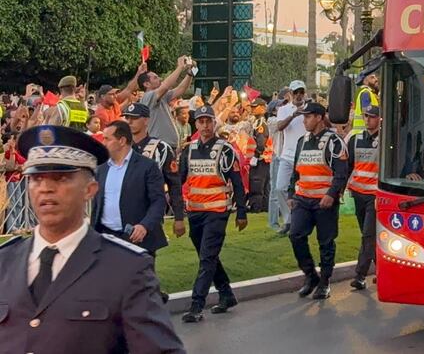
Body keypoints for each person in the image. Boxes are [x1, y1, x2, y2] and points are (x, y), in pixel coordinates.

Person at [0, 125, 184, 353]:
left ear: (90, 189)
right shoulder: (5, 263)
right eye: (36, 178)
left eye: (60, 178)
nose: (45, 188)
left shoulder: (127, 269)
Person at [178, 104, 248, 322]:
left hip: (217, 212)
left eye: (209, 121)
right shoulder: (189, 150)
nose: (205, 125)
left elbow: (237, 183)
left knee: (207, 258)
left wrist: (241, 212)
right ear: (196, 124)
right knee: (207, 256)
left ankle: (196, 305)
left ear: (214, 123)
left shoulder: (225, 150)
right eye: (201, 121)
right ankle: (226, 294)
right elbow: (179, 180)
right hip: (195, 212)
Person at [289, 101, 349, 300]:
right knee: (295, 235)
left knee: (326, 242)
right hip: (303, 200)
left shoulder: (334, 142)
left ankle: (324, 282)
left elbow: (341, 173)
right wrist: (291, 194)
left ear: (319, 118)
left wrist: (331, 194)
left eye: (307, 117)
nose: (304, 121)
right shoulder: (302, 141)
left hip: (324, 202)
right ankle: (310, 275)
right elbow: (296, 171)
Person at [95, 120, 169, 257]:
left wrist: (144, 225)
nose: (103, 143)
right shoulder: (101, 168)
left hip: (136, 238)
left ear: (122, 141)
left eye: (107, 139)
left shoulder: (147, 166)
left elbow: (158, 202)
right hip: (105, 237)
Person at [346, 104, 381, 291]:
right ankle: (382, 270)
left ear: (380, 119)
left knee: (368, 235)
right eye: (366, 116)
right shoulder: (355, 139)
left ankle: (359, 275)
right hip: (358, 193)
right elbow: (349, 165)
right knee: (368, 236)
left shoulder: (385, 140)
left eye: (372, 116)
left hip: (374, 195)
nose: (368, 119)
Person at [271, 80, 309, 234]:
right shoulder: (284, 109)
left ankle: (301, 219)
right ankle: (288, 219)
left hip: (305, 155)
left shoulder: (309, 108)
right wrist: (293, 115)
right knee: (280, 187)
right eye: (296, 92)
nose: (299, 95)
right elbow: (280, 127)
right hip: (287, 155)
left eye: (301, 92)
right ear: (291, 94)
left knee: (305, 190)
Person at [138, 55, 194, 144]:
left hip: (170, 145)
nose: (160, 79)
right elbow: (166, 86)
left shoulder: (161, 96)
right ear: (146, 84)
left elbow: (181, 89)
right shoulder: (147, 97)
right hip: (159, 145)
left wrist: (191, 72)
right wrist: (180, 67)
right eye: (155, 78)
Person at [352, 66, 380, 135]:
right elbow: (367, 113)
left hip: (365, 134)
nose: (376, 79)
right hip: (363, 134)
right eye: (372, 77)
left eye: (375, 77)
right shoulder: (366, 93)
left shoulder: (371, 93)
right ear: (365, 81)